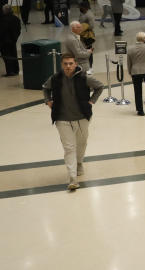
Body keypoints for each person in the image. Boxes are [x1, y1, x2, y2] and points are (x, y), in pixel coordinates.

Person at [42, 54, 104, 191]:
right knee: (69, 148)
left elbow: (99, 86)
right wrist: (48, 101)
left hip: (82, 117)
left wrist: (91, 101)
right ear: (61, 65)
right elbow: (45, 88)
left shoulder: (84, 78)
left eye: (70, 63)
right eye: (65, 64)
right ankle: (72, 178)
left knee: (81, 144)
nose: (68, 66)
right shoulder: (55, 78)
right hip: (62, 118)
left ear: (75, 64)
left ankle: (79, 162)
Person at [0, 5, 21, 77]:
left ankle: (10, 71)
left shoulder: (3, 19)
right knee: (14, 54)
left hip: (4, 41)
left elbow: (1, 31)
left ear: (4, 11)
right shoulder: (16, 19)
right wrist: (15, 38)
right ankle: (16, 70)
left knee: (7, 56)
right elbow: (19, 30)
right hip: (13, 40)